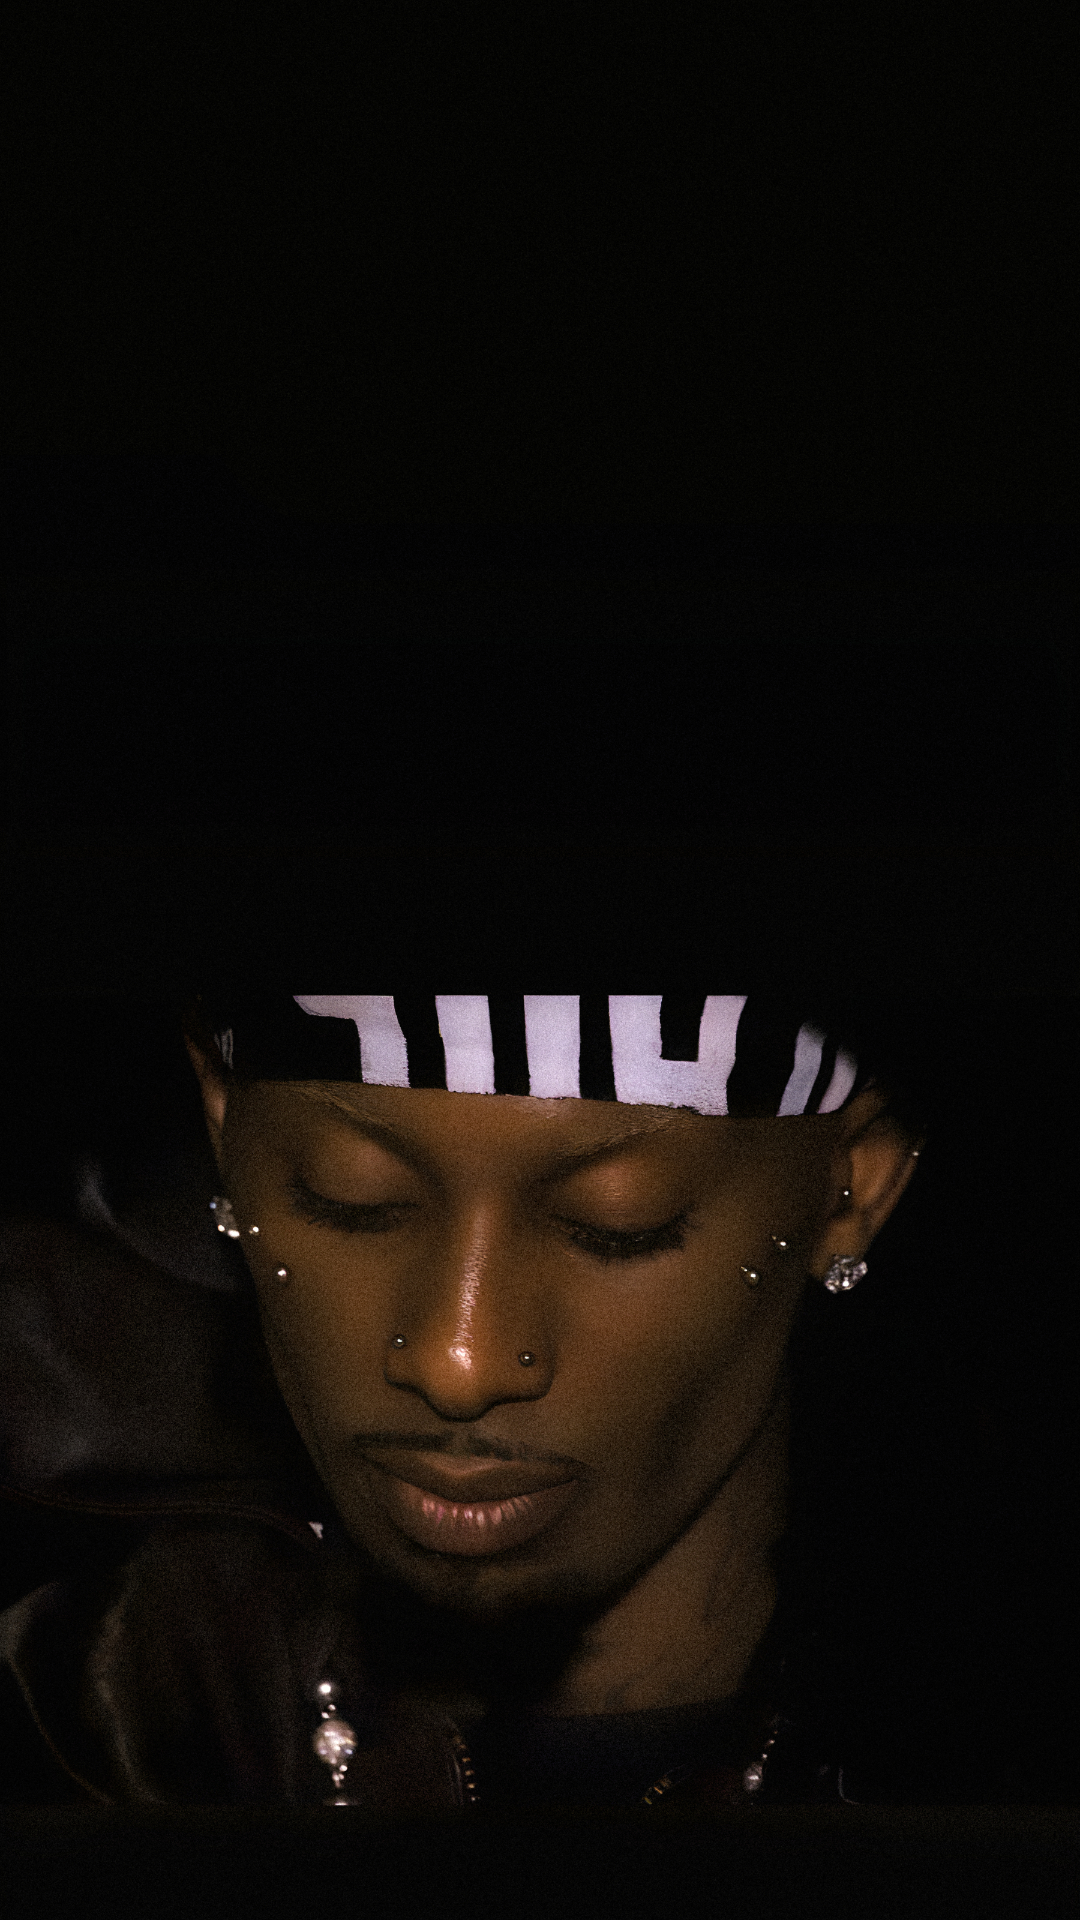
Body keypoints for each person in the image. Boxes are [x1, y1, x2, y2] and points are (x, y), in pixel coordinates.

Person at [0, 989, 928, 1812]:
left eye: (616, 1225)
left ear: (851, 1184)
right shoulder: (84, 1711)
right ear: (222, 1122)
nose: (459, 1362)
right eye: (351, 1198)